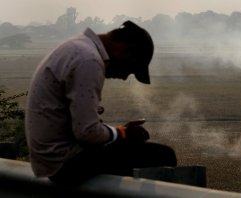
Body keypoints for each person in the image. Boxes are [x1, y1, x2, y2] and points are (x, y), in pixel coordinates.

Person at [25, 21, 177, 185]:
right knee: (163, 155)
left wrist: (118, 133)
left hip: (51, 158)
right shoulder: (89, 61)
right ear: (127, 52)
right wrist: (123, 134)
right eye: (130, 69)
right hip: (65, 163)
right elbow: (87, 133)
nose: (125, 76)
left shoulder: (78, 46)